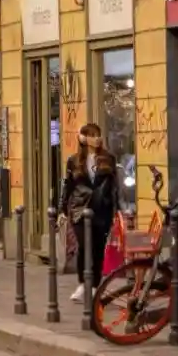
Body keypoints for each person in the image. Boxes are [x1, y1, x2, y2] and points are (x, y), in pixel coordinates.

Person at [60, 122, 119, 302]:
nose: (97, 138)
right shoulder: (74, 160)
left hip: (102, 209)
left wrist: (117, 210)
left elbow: (114, 187)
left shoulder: (108, 158)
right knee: (84, 247)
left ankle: (94, 286)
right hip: (79, 208)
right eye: (92, 135)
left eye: (98, 134)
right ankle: (82, 283)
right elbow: (68, 186)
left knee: (98, 248)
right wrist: (63, 209)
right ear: (84, 139)